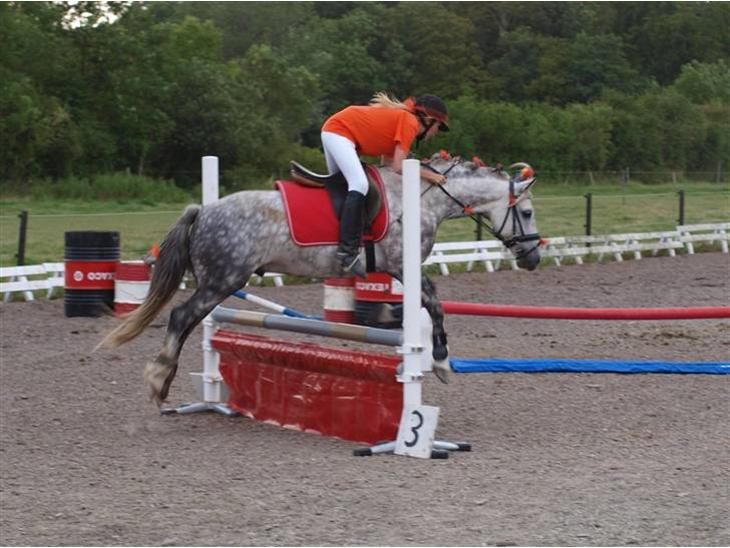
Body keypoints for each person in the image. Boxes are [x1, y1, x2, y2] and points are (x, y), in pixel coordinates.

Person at [321, 92, 449, 278]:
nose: (436, 132)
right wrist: (431, 176)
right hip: (339, 132)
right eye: (438, 126)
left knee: (342, 187)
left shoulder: (403, 121)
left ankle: (335, 243)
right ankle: (347, 252)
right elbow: (398, 166)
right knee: (359, 184)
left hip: (335, 131)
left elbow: (388, 165)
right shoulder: (410, 122)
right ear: (429, 120)